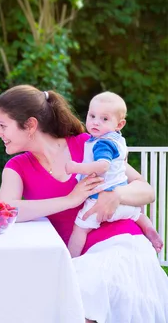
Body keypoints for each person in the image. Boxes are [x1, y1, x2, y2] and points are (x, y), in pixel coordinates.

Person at [0, 84, 168, 323]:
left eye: (2, 126)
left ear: (31, 125)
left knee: (81, 296)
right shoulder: (17, 167)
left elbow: (146, 190)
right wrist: (70, 200)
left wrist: (117, 194)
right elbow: (7, 209)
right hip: (76, 258)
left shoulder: (88, 145)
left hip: (122, 246)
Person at [65, 91, 162, 257]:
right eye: (92, 115)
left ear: (119, 124)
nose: (96, 122)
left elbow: (102, 166)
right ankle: (149, 228)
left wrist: (76, 168)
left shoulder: (102, 144)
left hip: (99, 202)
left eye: (104, 119)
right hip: (125, 204)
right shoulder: (117, 140)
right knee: (137, 214)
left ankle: (70, 261)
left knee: (80, 229)